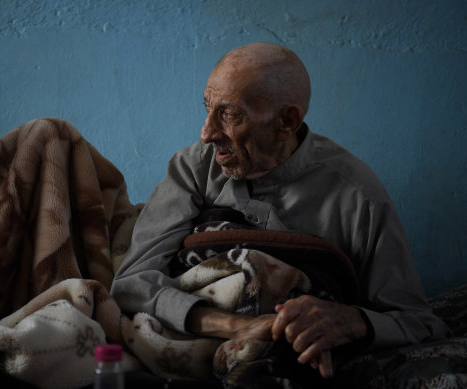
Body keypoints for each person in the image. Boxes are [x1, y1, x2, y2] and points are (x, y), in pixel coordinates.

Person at [110, 42, 450, 380]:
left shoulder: (357, 196)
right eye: (208, 108)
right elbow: (132, 283)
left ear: (287, 121)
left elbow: (418, 321)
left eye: (229, 114)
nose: (207, 132)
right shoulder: (194, 166)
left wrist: (352, 320)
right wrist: (238, 326)